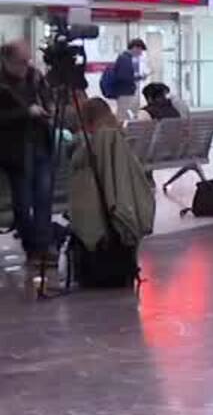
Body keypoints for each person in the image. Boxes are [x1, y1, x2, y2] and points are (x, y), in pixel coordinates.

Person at [67, 97, 154, 268]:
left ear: (87, 120)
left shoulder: (93, 145)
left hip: (95, 214)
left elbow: (78, 166)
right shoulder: (119, 141)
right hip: (121, 210)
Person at [0, 41, 57, 270]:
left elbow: (47, 97)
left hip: (40, 143)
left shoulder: (35, 76)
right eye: (20, 62)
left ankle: (43, 248)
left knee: (43, 199)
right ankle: (31, 247)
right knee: (23, 203)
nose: (26, 66)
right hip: (15, 150)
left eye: (27, 61)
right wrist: (25, 113)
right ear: (6, 60)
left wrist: (49, 107)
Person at [99, 38, 146, 123]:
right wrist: (138, 77)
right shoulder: (125, 59)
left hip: (124, 91)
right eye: (140, 50)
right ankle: (121, 129)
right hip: (124, 91)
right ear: (135, 48)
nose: (141, 53)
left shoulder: (125, 58)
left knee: (124, 113)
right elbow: (123, 76)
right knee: (122, 115)